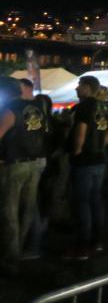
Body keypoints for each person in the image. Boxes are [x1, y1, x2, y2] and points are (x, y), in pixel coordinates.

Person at [0, 76, 50, 274]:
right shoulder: (39, 108)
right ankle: (19, 250)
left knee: (10, 212)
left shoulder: (11, 108)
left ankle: (11, 258)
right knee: (27, 210)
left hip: (15, 164)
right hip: (35, 163)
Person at [66, 76, 108, 260]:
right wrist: (102, 144)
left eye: (79, 86)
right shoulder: (105, 106)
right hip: (99, 159)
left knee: (82, 202)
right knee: (96, 200)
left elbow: (81, 129)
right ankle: (98, 241)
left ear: (87, 88)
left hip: (85, 160)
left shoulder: (84, 106)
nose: (76, 89)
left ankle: (83, 246)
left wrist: (78, 149)